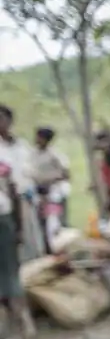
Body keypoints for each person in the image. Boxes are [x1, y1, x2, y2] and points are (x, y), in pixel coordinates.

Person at [0, 106, 45, 261]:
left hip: (25, 197)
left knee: (29, 239)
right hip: (6, 201)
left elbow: (30, 172)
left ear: (10, 121)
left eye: (2, 118)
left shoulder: (21, 146)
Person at [0, 157, 36, 339]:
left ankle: (23, 319)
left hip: (4, 223)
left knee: (11, 272)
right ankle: (12, 319)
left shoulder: (3, 169)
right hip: (6, 221)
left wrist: (19, 228)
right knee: (8, 273)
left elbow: (14, 197)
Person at [31, 127, 71, 251]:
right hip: (39, 193)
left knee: (53, 222)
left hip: (53, 194)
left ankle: (58, 248)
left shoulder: (54, 155)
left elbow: (65, 174)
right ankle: (46, 249)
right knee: (41, 222)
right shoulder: (33, 153)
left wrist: (48, 179)